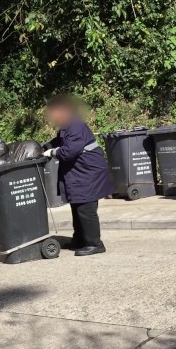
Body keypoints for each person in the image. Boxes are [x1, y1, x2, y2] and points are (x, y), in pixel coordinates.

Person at [42, 94, 114, 256]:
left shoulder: (76, 126)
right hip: (79, 174)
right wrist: (45, 146)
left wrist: (51, 152)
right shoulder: (68, 126)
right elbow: (60, 141)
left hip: (88, 174)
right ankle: (80, 239)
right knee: (77, 206)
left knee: (86, 209)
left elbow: (69, 151)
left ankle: (95, 243)